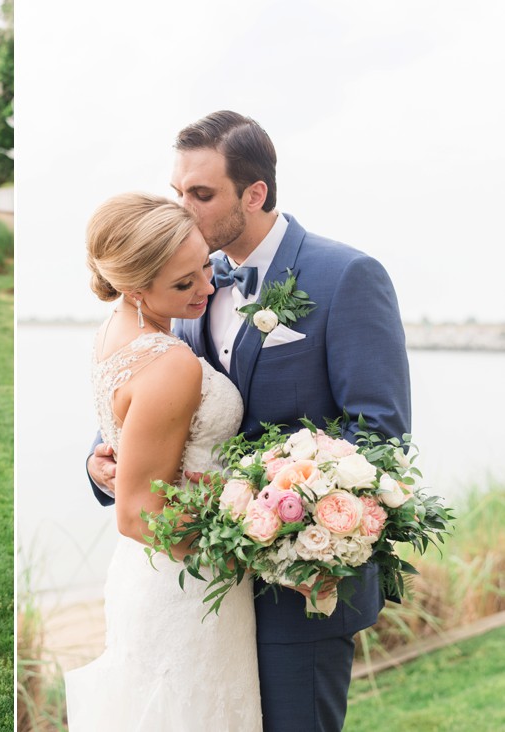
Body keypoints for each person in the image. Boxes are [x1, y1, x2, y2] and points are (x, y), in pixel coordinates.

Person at [87, 111, 411, 731]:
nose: (181, 208)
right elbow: (145, 392)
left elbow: (379, 433)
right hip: (197, 584)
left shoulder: (346, 277)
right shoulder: (184, 283)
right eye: (177, 190)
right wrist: (103, 461)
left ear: (254, 194)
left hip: (299, 586)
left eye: (200, 195)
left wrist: (284, 522)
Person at [65, 192, 263, 731]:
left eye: (204, 266)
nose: (207, 286)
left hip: (150, 578)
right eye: (184, 283)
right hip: (193, 587)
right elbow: (136, 515)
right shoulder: (170, 363)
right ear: (135, 287)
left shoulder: (116, 332)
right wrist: (260, 543)